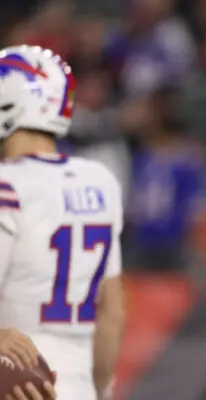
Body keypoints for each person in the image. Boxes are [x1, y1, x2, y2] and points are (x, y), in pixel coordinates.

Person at [0, 45, 125, 400]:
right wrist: (98, 390)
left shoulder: (8, 186)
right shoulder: (99, 181)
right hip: (77, 384)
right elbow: (111, 313)